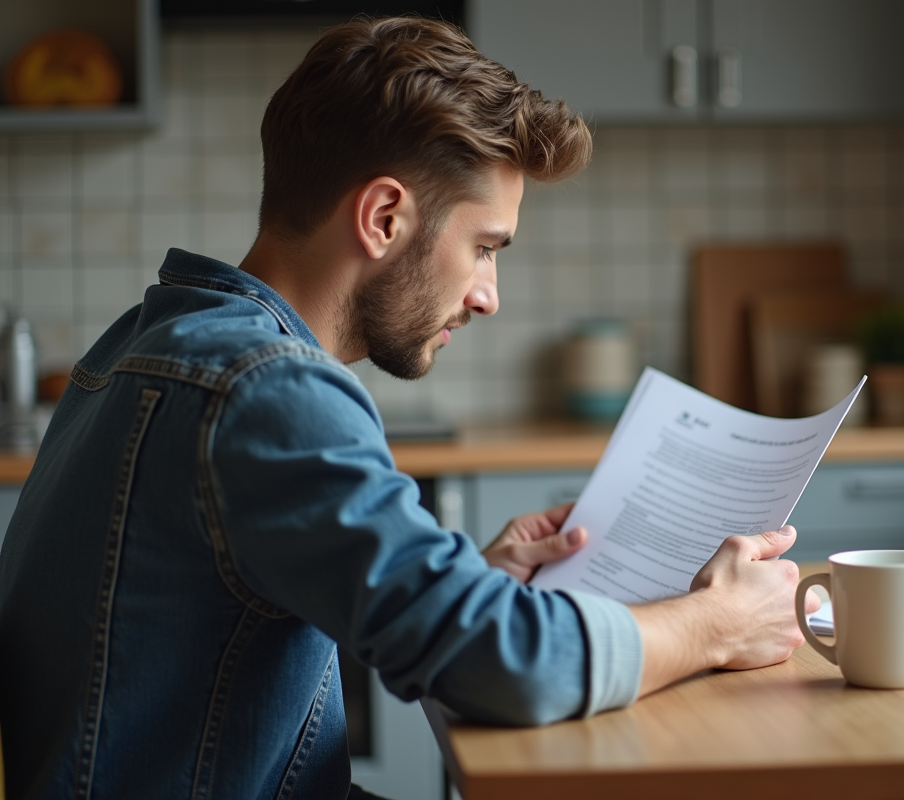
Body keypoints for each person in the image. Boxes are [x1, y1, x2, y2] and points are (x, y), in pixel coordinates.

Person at [0, 17, 816, 800]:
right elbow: (509, 668)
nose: (488, 295)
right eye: (484, 248)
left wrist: (469, 586)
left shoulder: (146, 340)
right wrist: (717, 623)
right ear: (384, 217)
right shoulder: (265, 389)